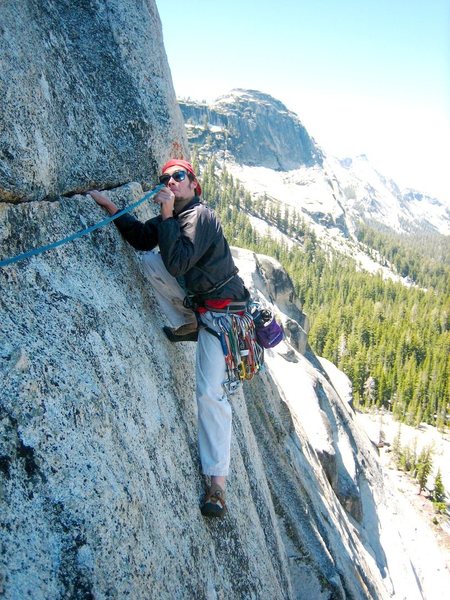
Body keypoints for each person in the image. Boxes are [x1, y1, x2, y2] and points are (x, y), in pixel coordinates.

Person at [88, 159, 248, 518]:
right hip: (205, 308)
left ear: (194, 184)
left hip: (225, 315)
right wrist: (110, 206)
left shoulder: (200, 216)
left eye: (179, 177)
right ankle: (188, 322)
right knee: (148, 260)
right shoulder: (174, 218)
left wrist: (164, 210)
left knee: (210, 393)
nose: (171, 182)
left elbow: (178, 263)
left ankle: (217, 485)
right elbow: (145, 240)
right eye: (165, 179)